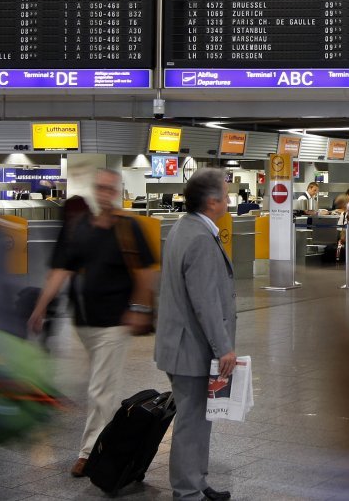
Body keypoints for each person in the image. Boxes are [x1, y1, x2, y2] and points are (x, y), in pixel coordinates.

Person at [27, 169, 155, 477]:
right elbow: (61, 269)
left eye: (110, 189)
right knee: (97, 388)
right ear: (94, 191)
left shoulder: (129, 227)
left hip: (115, 323)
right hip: (83, 323)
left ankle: (89, 454)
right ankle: (115, 440)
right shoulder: (80, 227)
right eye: (100, 188)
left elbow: (145, 273)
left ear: (117, 192)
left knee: (101, 389)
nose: (104, 193)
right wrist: (41, 307)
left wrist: (139, 308)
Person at [154, 169, 237, 501]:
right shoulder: (200, 238)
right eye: (226, 195)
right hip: (191, 348)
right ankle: (188, 491)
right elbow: (206, 302)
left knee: (200, 418)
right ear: (212, 202)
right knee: (191, 422)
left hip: (182, 344)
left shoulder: (184, 227)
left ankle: (197, 482)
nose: (229, 200)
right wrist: (224, 348)